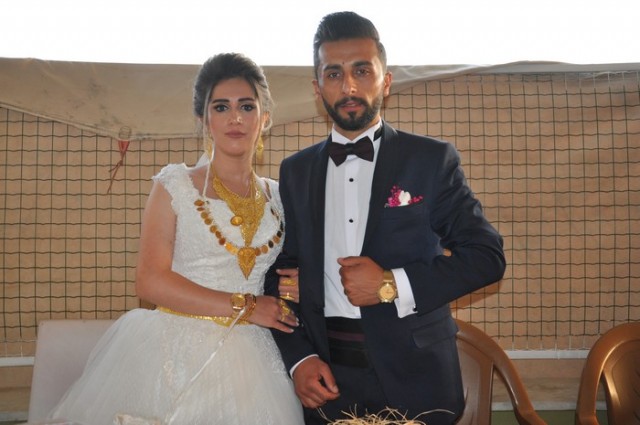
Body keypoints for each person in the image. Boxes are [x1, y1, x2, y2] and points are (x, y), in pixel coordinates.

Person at [265, 11, 506, 425]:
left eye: (362, 71)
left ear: (386, 81)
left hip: (419, 382)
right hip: (326, 384)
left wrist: (390, 284)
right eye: (334, 74)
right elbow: (282, 273)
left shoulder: (431, 160)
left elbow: (486, 257)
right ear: (317, 88)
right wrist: (299, 358)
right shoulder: (295, 171)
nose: (349, 86)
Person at [44, 53, 304, 425]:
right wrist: (246, 307)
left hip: (259, 360)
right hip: (172, 354)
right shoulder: (175, 185)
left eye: (247, 106)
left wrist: (293, 288)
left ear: (265, 117)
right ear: (203, 119)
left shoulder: (280, 196)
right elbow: (149, 281)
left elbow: (286, 271)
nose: (235, 118)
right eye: (221, 107)